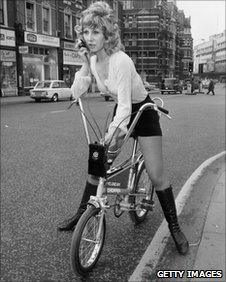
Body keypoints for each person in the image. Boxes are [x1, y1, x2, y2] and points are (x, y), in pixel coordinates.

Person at [58, 1, 189, 255]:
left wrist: (110, 135)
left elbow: (127, 108)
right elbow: (75, 93)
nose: (90, 38)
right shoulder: (94, 61)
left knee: (156, 174)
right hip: (123, 111)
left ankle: (175, 228)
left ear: (107, 34)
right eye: (86, 32)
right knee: (98, 164)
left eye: (95, 32)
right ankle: (81, 214)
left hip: (142, 112)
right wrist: (85, 63)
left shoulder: (121, 61)